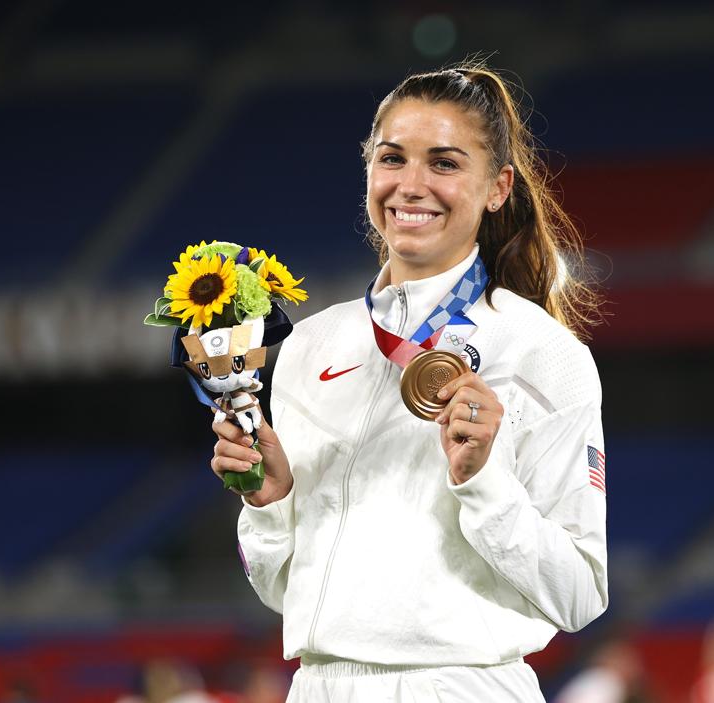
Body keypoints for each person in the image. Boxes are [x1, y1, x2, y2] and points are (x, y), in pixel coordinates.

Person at [210, 61, 609, 702]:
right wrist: (270, 501)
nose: (411, 185)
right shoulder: (313, 344)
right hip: (317, 686)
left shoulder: (540, 351)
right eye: (392, 159)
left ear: (498, 187)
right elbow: (283, 591)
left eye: (445, 163)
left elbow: (581, 595)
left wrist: (483, 483)